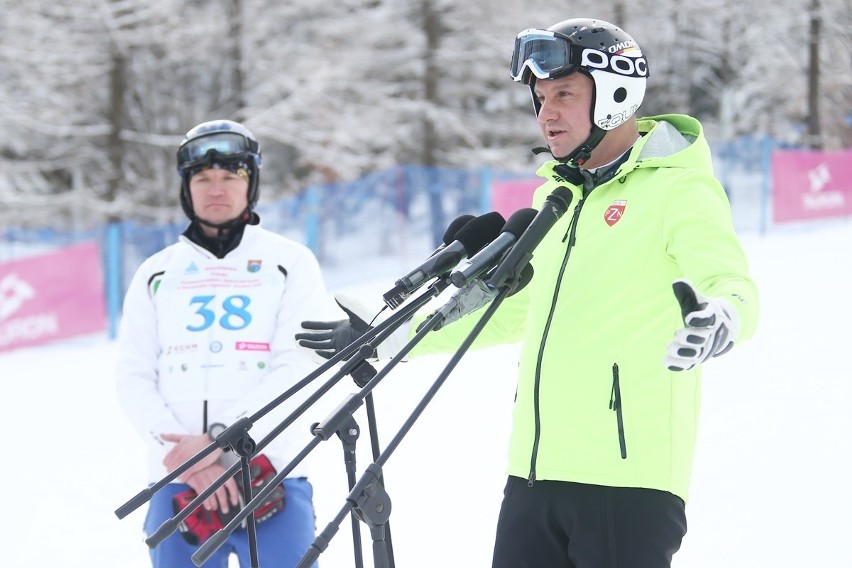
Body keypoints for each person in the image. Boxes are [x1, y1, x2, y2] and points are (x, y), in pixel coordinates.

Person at [295, 17, 759, 568]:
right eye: (540, 99)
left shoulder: (678, 188)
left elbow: (731, 283)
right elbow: (509, 311)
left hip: (626, 478)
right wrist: (387, 338)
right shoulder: (555, 200)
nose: (548, 113)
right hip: (535, 475)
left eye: (564, 93)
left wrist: (720, 320)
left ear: (615, 93)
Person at [116, 119, 329, 568]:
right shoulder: (156, 272)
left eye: (231, 177)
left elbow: (298, 366)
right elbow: (133, 376)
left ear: (251, 184)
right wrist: (192, 461)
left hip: (272, 474)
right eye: (203, 178)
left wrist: (217, 441)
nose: (217, 189)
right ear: (186, 187)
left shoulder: (290, 262)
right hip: (177, 483)